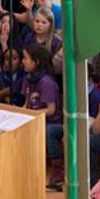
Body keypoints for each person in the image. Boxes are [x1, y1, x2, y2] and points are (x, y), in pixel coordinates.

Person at [21, 44, 63, 190]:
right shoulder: (28, 79)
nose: (23, 61)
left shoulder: (46, 82)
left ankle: (58, 169)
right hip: (34, 118)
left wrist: (32, 116)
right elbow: (26, 104)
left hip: (52, 123)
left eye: (26, 58)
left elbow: (51, 110)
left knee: (48, 131)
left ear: (36, 62)